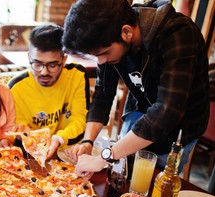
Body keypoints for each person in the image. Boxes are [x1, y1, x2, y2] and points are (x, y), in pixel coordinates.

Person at [62, 0, 210, 176]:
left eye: (103, 54)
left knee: (155, 185)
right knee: (121, 175)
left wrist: (104, 157)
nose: (100, 62)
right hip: (140, 111)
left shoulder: (179, 34)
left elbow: (167, 111)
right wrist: (88, 141)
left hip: (179, 127)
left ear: (126, 32)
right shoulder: (108, 38)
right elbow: (103, 95)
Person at [8, 23, 90, 159]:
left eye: (52, 65)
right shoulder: (16, 87)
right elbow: (19, 131)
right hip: (31, 157)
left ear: (64, 60)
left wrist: (60, 138)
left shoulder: (77, 75)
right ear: (29, 58)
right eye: (37, 64)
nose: (44, 72)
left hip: (68, 154)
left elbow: (80, 120)